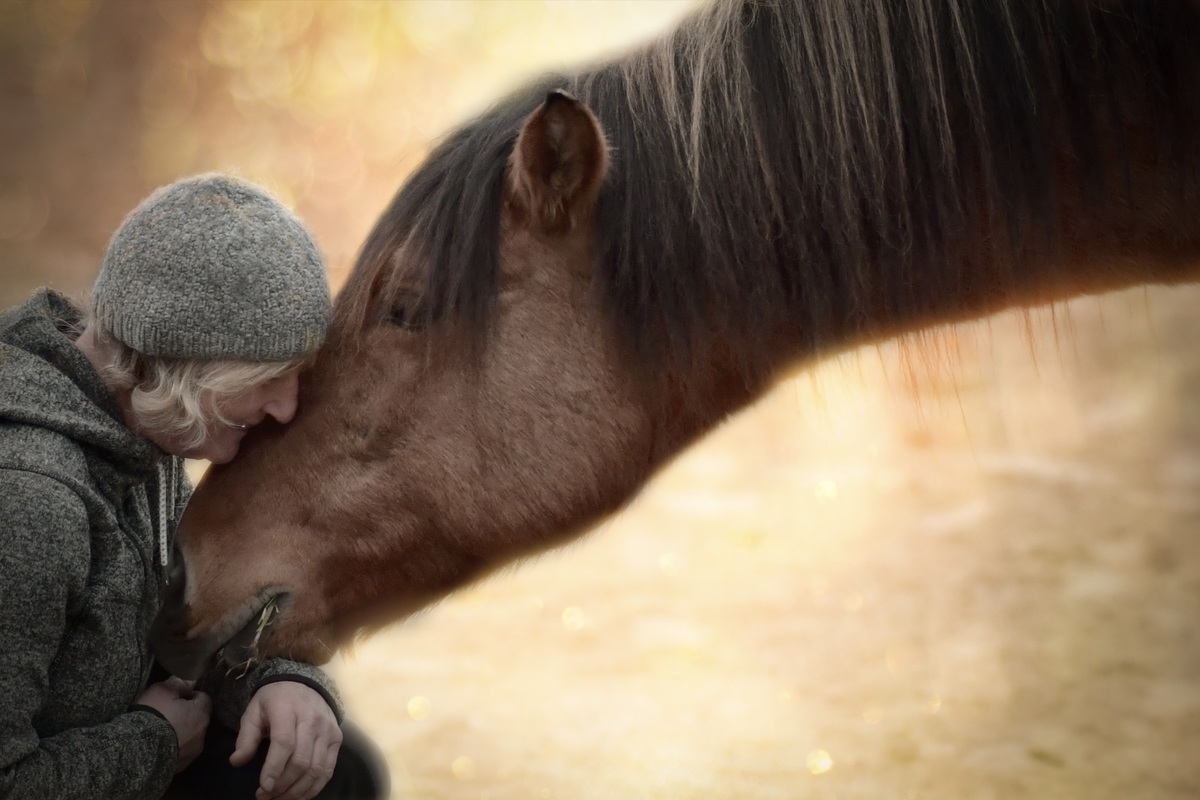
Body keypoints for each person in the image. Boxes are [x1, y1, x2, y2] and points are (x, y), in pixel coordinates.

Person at [0, 174, 388, 800]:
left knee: (331, 772)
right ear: (177, 364)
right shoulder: (29, 505)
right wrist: (154, 742)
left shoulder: (143, 429)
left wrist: (280, 680)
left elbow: (192, 616)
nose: (286, 408)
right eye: (268, 377)